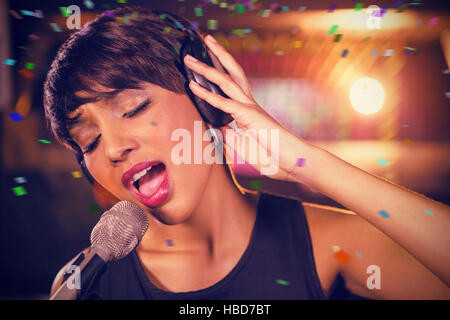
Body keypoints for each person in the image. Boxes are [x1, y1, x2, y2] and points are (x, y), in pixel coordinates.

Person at [45, 7, 449, 299]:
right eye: (90, 142)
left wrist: (308, 163)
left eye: (132, 108)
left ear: (208, 99)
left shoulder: (330, 242)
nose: (113, 148)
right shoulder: (85, 282)